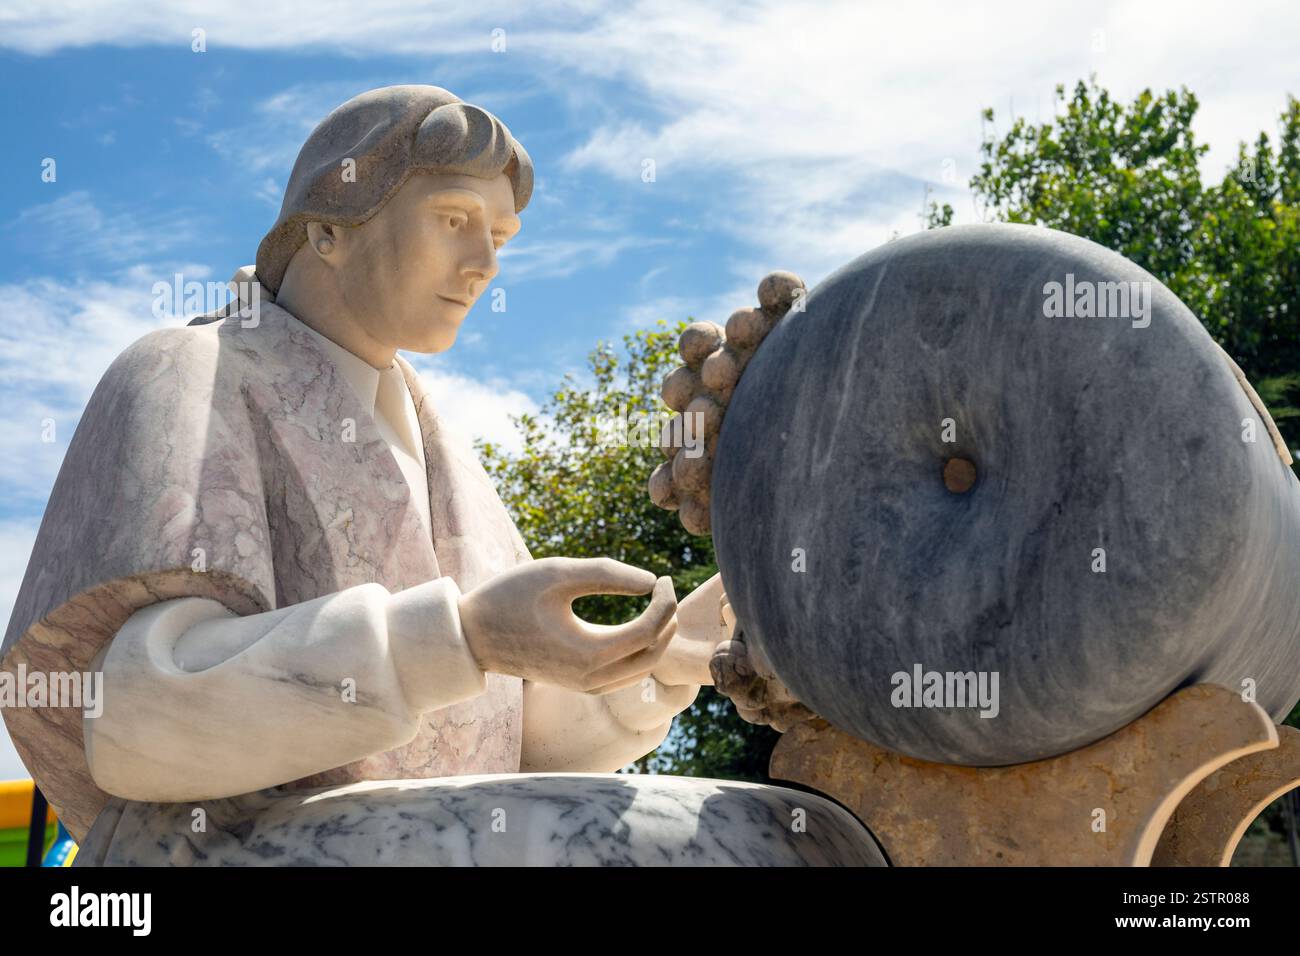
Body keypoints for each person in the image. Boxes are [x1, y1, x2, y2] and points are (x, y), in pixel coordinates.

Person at [0, 85, 724, 858]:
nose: (483, 266)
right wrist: (461, 640)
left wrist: (665, 660)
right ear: (326, 230)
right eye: (453, 222)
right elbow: (135, 721)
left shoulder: (449, 452)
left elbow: (504, 748)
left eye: (501, 240)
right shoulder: (188, 375)